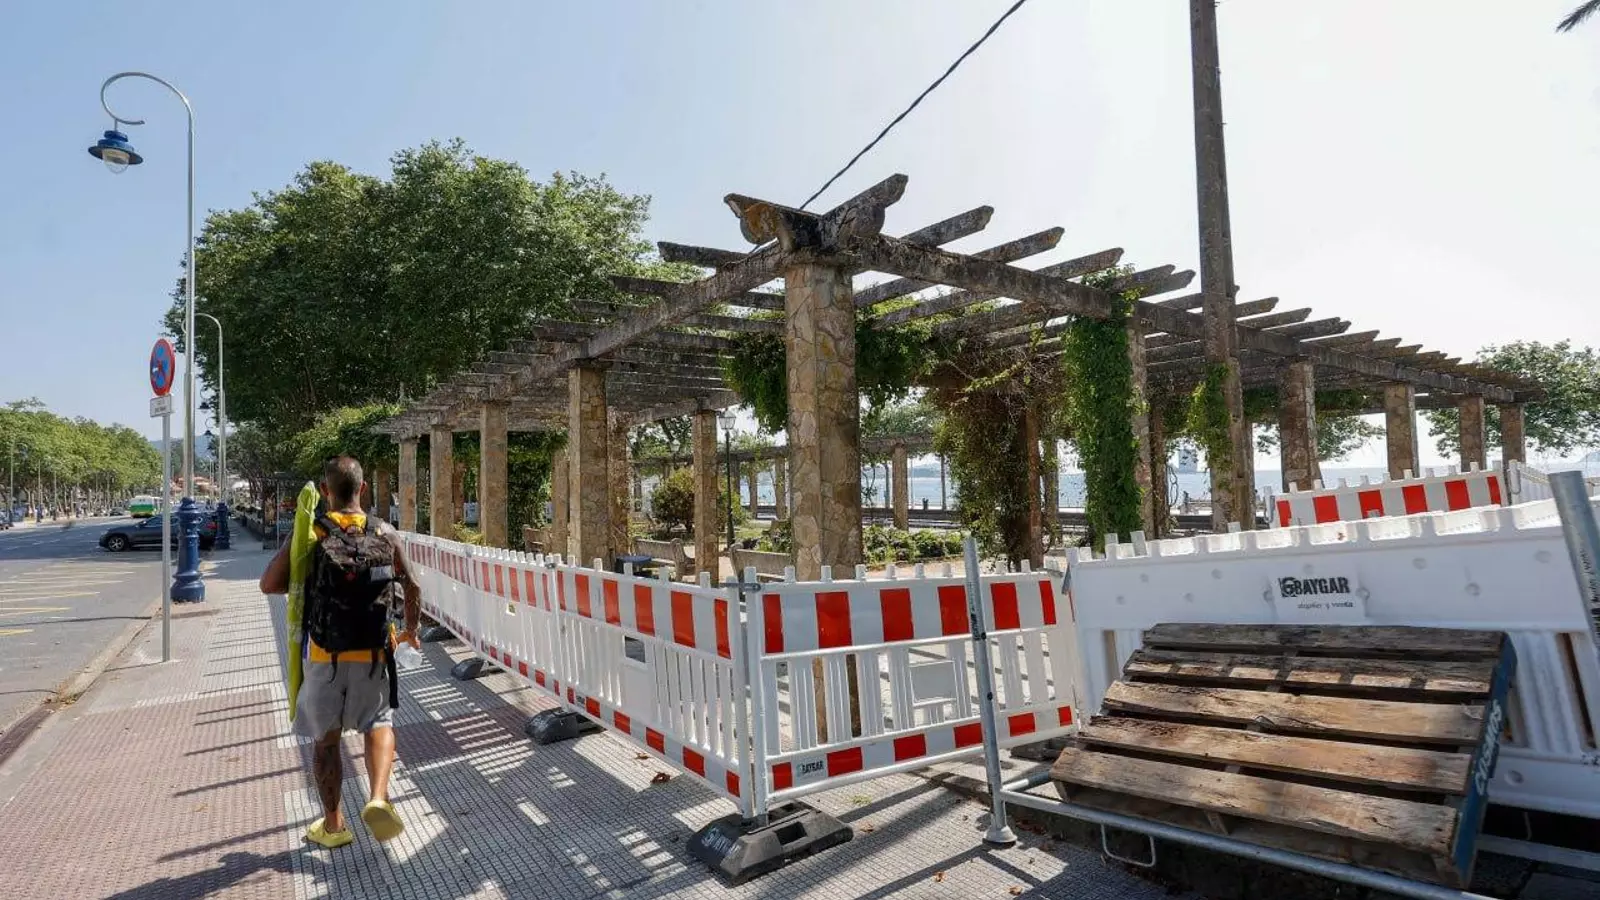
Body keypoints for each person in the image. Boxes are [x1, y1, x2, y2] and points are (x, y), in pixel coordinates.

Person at [259, 455, 422, 850]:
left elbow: (269, 584)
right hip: (374, 655)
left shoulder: (313, 531)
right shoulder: (384, 531)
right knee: (379, 724)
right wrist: (410, 631)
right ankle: (378, 797)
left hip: (324, 658)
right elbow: (413, 585)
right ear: (362, 488)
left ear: (325, 490)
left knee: (326, 742)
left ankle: (334, 827)